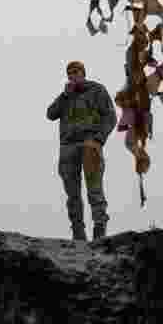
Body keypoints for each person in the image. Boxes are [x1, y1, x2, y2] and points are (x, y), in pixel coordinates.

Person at [46, 61, 117, 241]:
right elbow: (50, 114)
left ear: (83, 73)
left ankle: (99, 230)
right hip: (68, 147)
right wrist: (64, 95)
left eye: (76, 71)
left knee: (94, 189)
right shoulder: (66, 96)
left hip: (89, 144)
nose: (72, 75)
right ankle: (78, 232)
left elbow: (110, 116)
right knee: (72, 193)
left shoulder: (97, 90)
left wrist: (99, 139)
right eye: (69, 73)